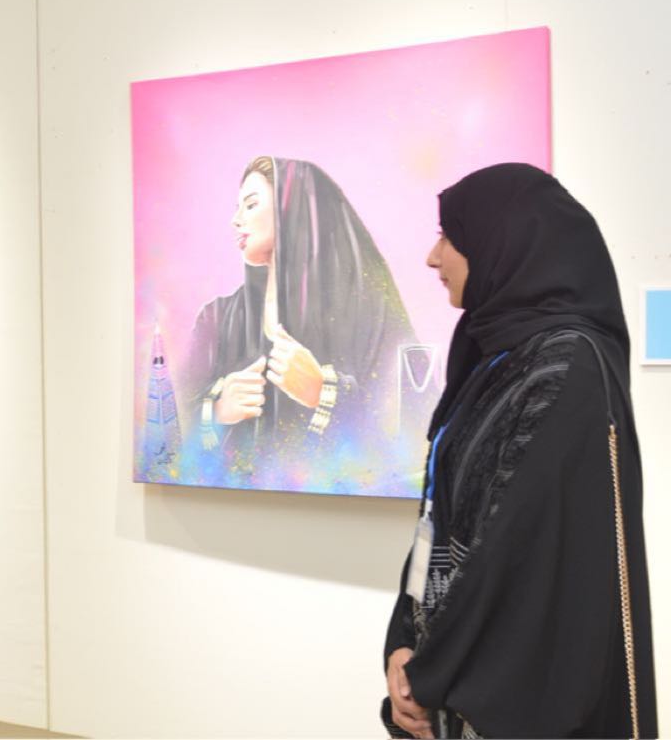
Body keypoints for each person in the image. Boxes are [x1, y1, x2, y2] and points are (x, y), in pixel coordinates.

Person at [382, 163, 658, 737]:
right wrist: (403, 643)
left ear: (499, 241)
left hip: (511, 700)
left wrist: (430, 674)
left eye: (449, 236)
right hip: (444, 673)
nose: (433, 257)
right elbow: (439, 516)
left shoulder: (566, 365)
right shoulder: (492, 355)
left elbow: (518, 554)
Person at [182, 156, 419, 484]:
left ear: (290, 210)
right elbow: (170, 425)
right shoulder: (217, 318)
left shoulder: (366, 312)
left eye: (251, 205)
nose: (236, 220)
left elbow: (408, 428)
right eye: (238, 208)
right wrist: (219, 410)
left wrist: (324, 392)